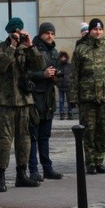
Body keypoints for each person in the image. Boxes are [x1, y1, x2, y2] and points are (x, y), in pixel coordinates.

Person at [0, 16, 45, 192]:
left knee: (24, 140)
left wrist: (30, 45)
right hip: (6, 102)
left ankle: (22, 174)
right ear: (9, 33)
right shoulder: (1, 48)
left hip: (23, 101)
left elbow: (39, 65)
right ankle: (1, 177)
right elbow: (0, 66)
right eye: (15, 32)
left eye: (20, 32)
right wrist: (12, 48)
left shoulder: (26, 48)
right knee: (5, 140)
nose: (17, 35)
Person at [69, 18, 105, 174]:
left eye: (100, 29)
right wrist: (73, 97)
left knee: (101, 132)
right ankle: (90, 163)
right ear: (90, 30)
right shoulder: (81, 50)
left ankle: (99, 161)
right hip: (87, 99)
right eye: (95, 29)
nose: (97, 32)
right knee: (88, 132)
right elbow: (74, 76)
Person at [27, 22, 63, 181]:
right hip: (35, 99)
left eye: (52, 33)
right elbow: (26, 74)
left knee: (45, 137)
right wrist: (43, 74)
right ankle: (33, 169)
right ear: (41, 34)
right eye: (47, 33)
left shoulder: (54, 52)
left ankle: (47, 168)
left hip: (48, 99)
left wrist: (56, 77)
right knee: (33, 137)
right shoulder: (33, 50)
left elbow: (56, 73)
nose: (50, 36)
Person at [57, 51, 73, 120]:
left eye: (64, 57)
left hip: (68, 86)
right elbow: (56, 76)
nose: (63, 58)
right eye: (62, 57)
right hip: (61, 86)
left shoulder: (70, 66)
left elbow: (72, 75)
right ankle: (62, 113)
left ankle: (70, 113)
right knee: (61, 100)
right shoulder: (58, 66)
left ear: (66, 58)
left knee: (69, 101)